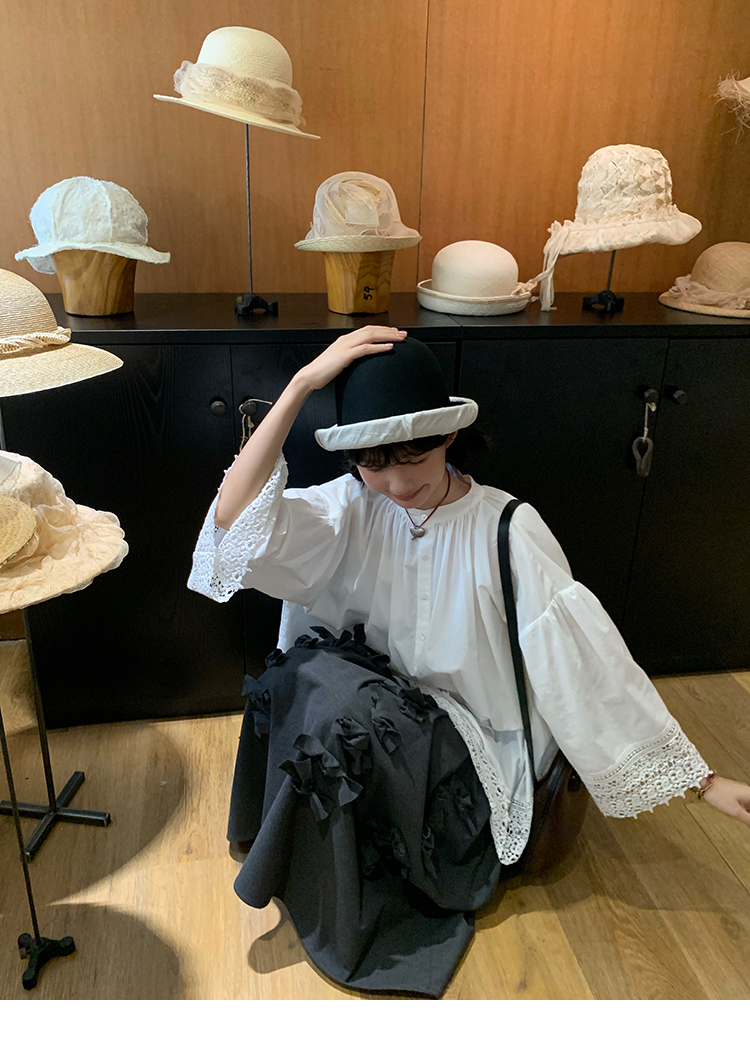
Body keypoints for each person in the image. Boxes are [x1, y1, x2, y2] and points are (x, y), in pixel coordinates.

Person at [188, 325, 750, 997]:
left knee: (340, 708)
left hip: (462, 744)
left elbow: (583, 664)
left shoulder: (507, 528)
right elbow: (232, 521)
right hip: (379, 714)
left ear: (450, 434)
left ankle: (352, 880)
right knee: (293, 677)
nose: (397, 482)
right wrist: (303, 384)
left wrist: (701, 782)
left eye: (414, 457)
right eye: (372, 462)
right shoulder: (353, 506)